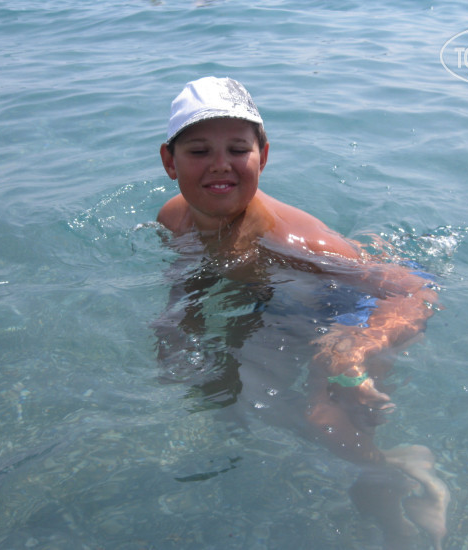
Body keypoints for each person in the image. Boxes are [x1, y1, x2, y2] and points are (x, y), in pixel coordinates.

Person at [156, 76, 449, 549]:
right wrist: (176, 323)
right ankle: (384, 465)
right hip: (282, 304)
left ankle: (396, 492)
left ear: (263, 157)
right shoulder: (174, 217)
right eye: (199, 151)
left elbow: (414, 290)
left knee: (323, 417)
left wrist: (357, 345)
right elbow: (194, 275)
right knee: (230, 392)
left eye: (237, 149)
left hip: (355, 305)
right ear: (169, 161)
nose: (220, 164)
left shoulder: (290, 242)